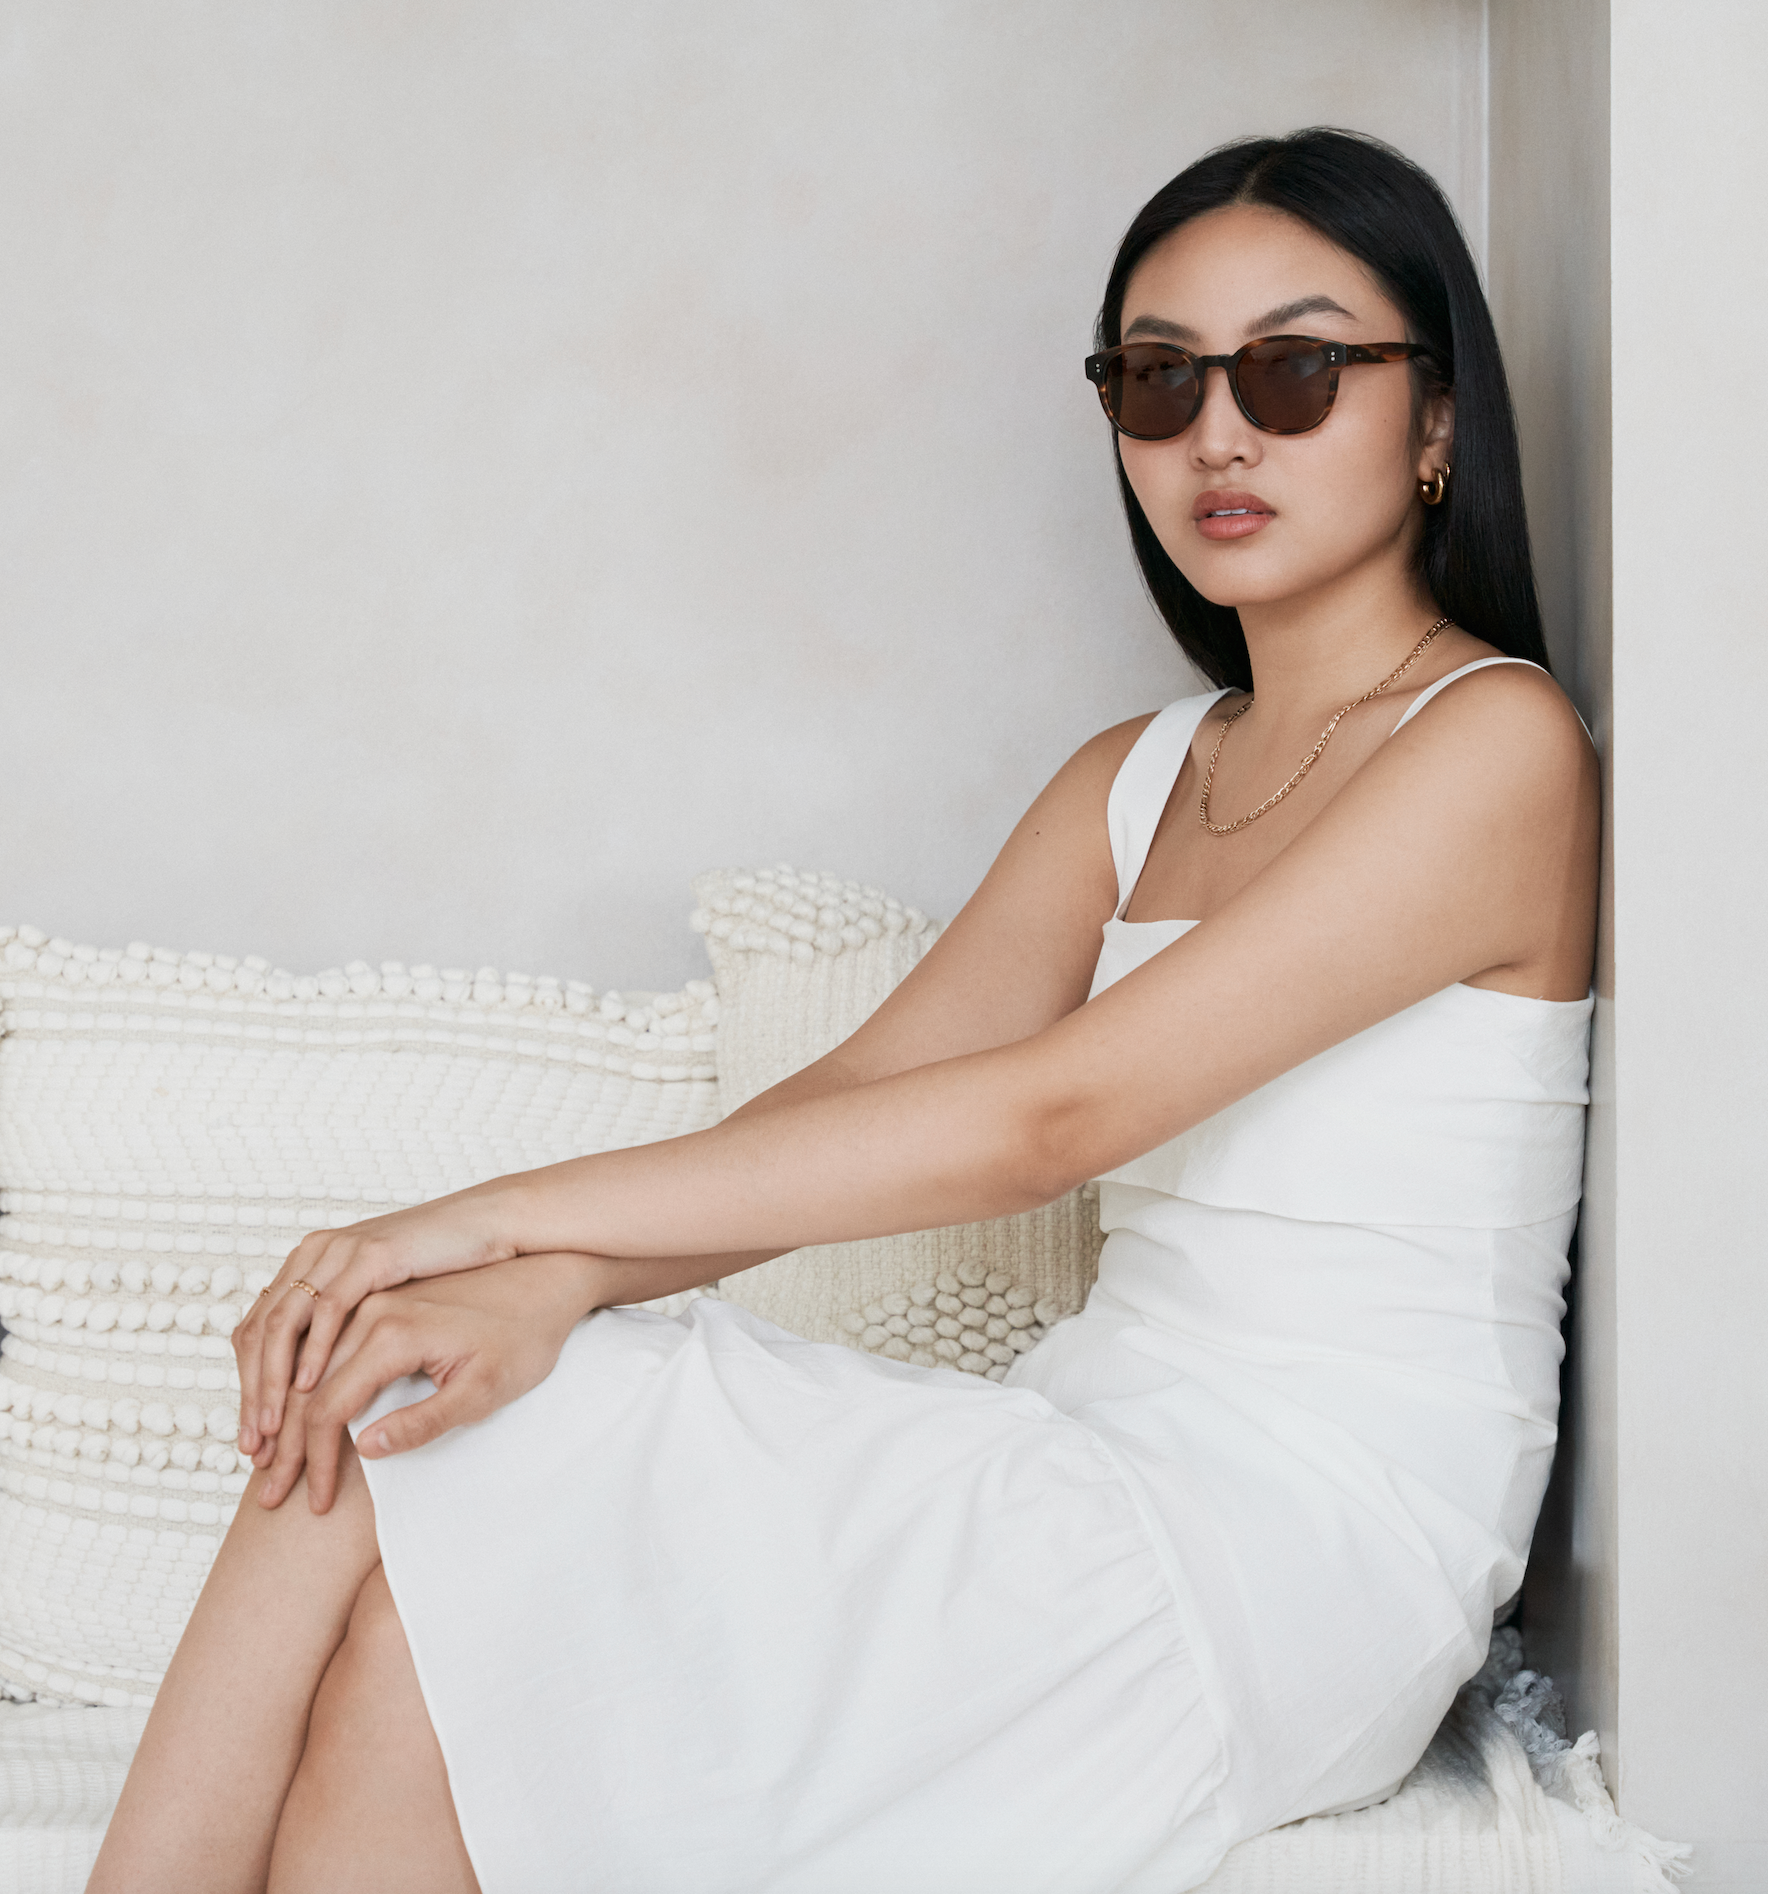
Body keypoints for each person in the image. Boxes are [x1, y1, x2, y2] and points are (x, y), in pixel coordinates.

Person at [85, 127, 1599, 1894]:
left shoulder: (1502, 747)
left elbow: (1053, 1119)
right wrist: (542, 1279)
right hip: (1091, 1444)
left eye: (1294, 366)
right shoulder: (1137, 774)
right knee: (441, 1540)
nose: (1220, 433)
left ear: (1433, 423)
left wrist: (485, 1214)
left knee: (480, 1440)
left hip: (1297, 1550)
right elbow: (865, 1089)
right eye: (1158, 380)